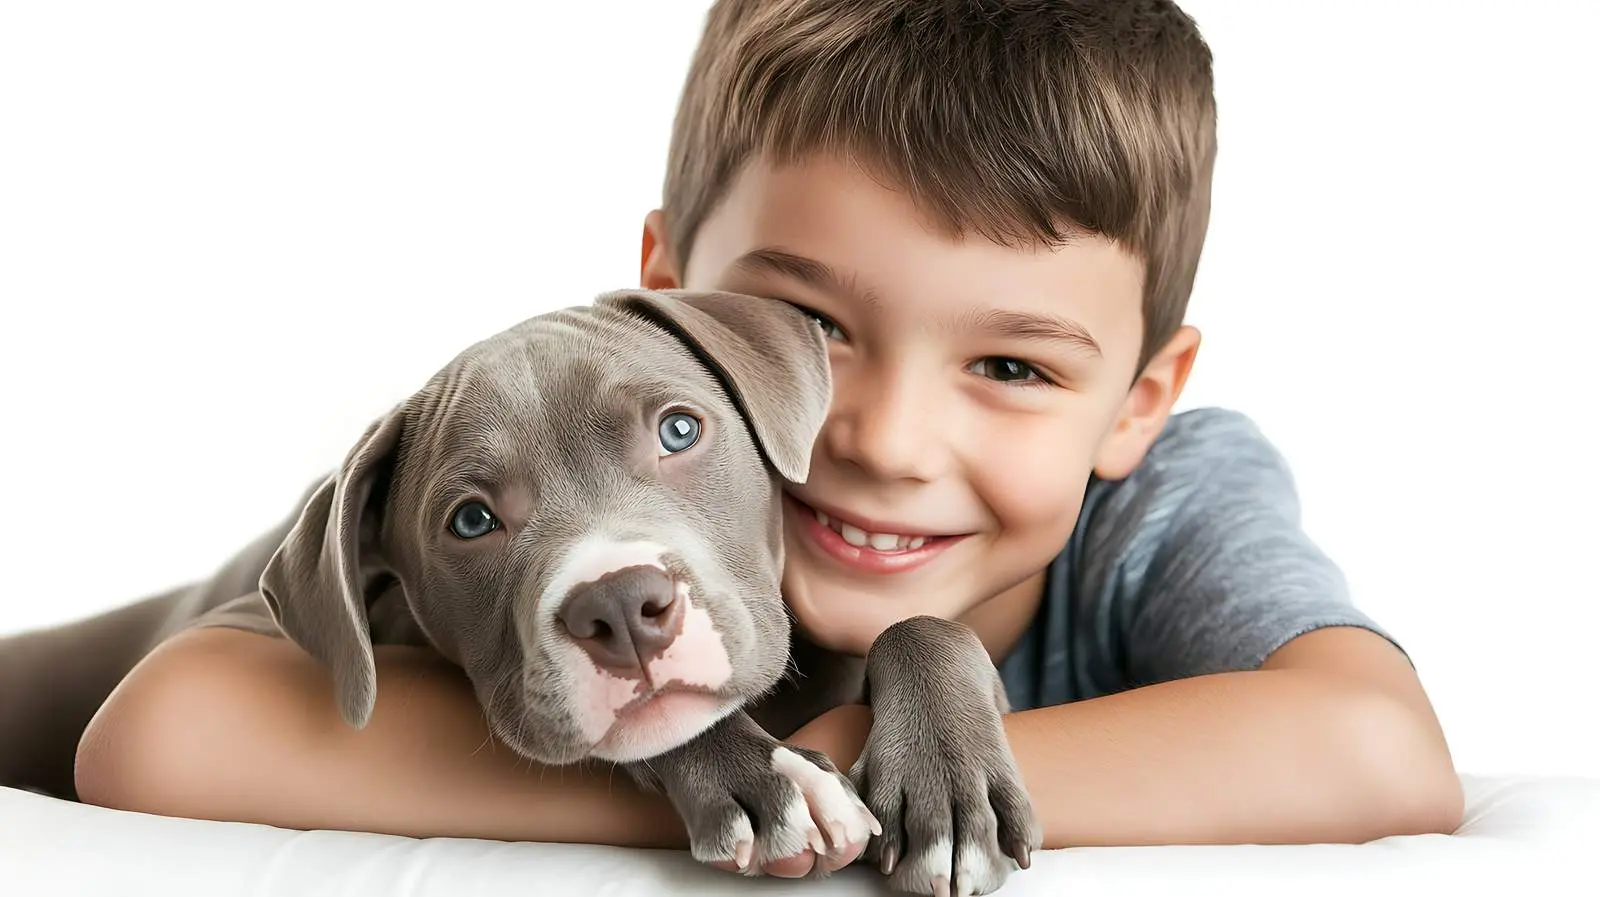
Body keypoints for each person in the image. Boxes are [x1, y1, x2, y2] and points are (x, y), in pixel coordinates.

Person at [73, 0, 1463, 877]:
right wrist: (702, 756)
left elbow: (1380, 754)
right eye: (816, 325)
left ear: (1139, 401)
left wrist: (872, 727)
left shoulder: (1166, 511)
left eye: (1010, 363)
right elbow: (171, 730)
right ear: (671, 294)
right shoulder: (552, 488)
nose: (886, 438)